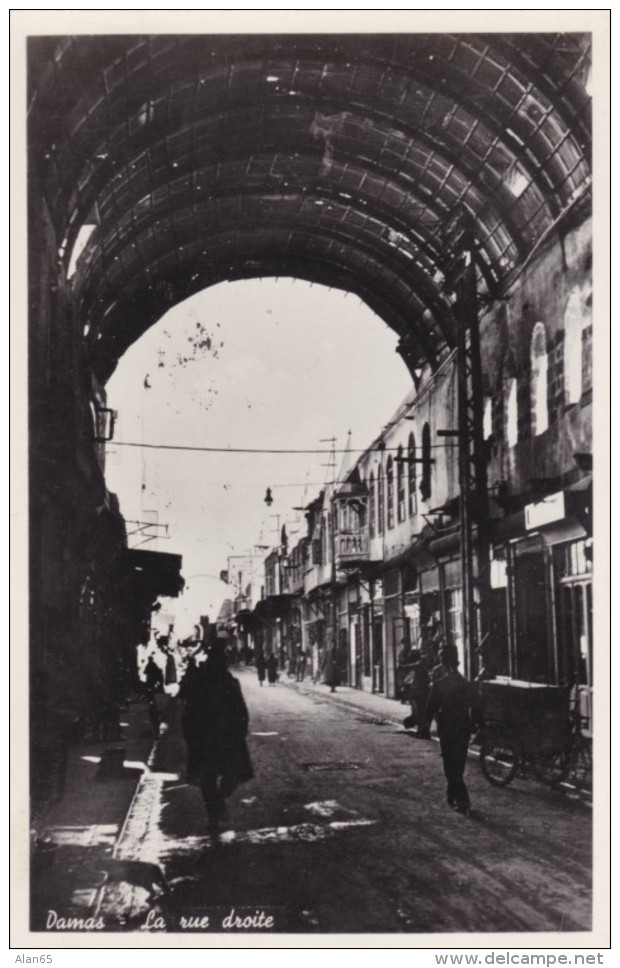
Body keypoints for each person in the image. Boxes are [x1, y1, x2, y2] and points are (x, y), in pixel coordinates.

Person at [181, 647, 254, 833]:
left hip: (211, 739)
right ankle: (215, 810)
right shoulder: (225, 683)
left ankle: (215, 807)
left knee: (213, 778)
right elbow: (241, 712)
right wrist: (240, 732)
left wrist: (190, 736)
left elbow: (188, 711)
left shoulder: (214, 682)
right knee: (223, 775)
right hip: (220, 738)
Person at [423, 643, 483, 815]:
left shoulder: (439, 684)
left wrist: (425, 726)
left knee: (450, 764)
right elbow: (476, 707)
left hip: (447, 728)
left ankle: (462, 800)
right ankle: (451, 793)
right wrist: (478, 726)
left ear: (443, 662)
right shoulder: (465, 684)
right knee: (459, 763)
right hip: (463, 728)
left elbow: (430, 707)